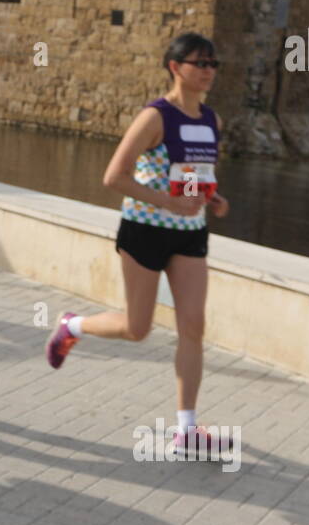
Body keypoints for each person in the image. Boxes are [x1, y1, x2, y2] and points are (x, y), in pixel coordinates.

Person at [45, 32, 233, 455]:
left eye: (213, 64)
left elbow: (195, 175)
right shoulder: (155, 117)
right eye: (199, 63)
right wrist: (167, 201)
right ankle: (71, 326)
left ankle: (186, 429)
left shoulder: (211, 120)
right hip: (144, 230)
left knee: (193, 325)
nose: (208, 71)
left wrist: (211, 199)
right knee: (137, 328)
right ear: (175, 67)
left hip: (190, 234)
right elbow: (114, 177)